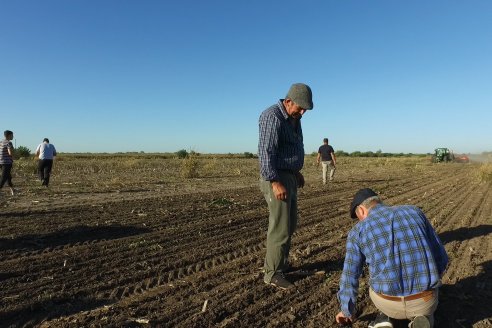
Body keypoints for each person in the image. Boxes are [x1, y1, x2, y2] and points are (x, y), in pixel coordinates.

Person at [335, 188, 448, 328]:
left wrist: (346, 311)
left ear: (362, 210)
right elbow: (441, 257)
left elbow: (350, 276)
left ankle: (385, 317)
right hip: (424, 301)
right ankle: (423, 319)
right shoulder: (415, 212)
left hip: (388, 301)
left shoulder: (358, 231)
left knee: (375, 285)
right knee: (426, 311)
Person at [258, 83, 314, 290]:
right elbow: (266, 152)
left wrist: (295, 171)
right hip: (276, 178)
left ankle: (281, 264)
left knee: (290, 224)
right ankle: (272, 273)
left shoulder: (294, 118)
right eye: (300, 108)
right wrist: (275, 181)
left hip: (288, 176)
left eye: (305, 110)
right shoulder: (272, 116)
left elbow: (288, 149)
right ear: (288, 101)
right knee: (280, 227)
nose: (303, 112)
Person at [0, 130, 15, 196]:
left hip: (1, 161)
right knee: (3, 178)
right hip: (7, 163)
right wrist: (13, 157)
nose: (13, 136)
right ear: (9, 135)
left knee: (8, 177)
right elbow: (10, 152)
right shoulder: (9, 143)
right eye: (12, 135)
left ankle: (12, 190)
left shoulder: (1, 142)